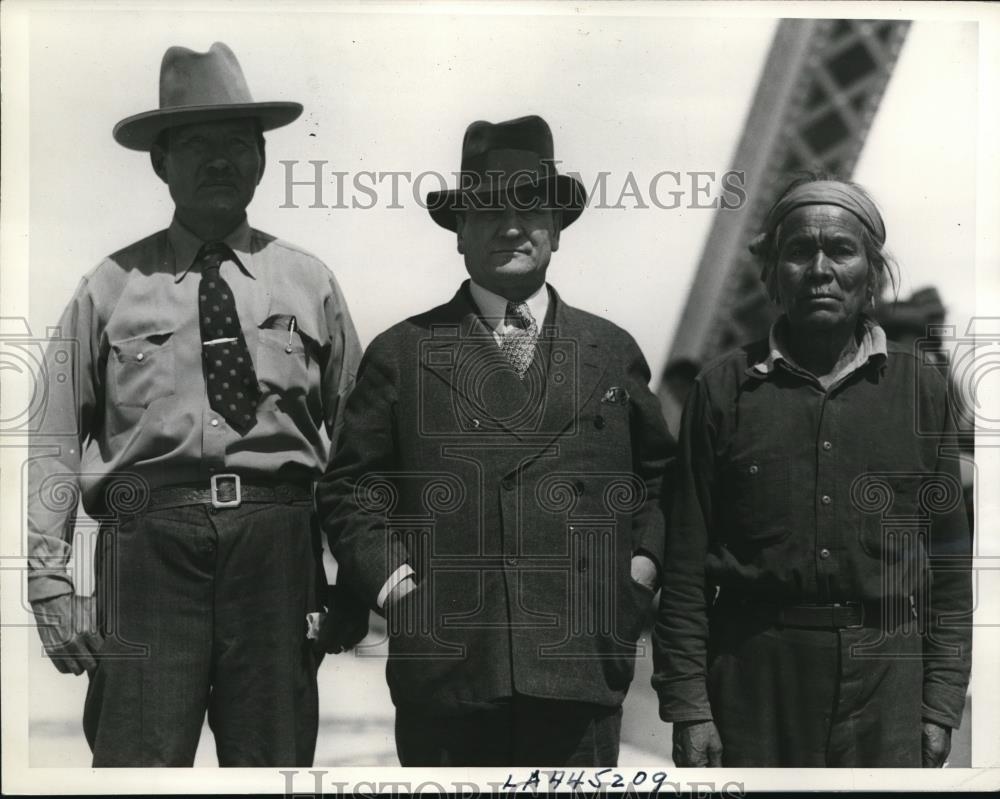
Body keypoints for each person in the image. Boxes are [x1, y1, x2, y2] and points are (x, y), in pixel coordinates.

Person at [26, 42, 367, 766]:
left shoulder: (310, 283)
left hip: (278, 553)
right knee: (137, 770)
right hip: (149, 551)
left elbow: (364, 445)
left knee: (273, 767)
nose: (220, 160)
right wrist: (48, 580)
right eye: (198, 144)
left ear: (263, 157)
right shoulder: (109, 286)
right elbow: (54, 437)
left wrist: (357, 575)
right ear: (161, 161)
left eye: (237, 144)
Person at [316, 115, 674, 767]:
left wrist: (635, 576)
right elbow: (349, 492)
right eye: (486, 207)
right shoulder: (402, 354)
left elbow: (664, 483)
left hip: (577, 666)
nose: (510, 225)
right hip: (450, 672)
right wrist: (401, 590)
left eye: (529, 206)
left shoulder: (609, 350)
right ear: (459, 231)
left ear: (557, 228)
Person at [651, 175, 973, 767]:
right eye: (799, 251)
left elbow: (949, 571)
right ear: (773, 273)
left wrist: (939, 703)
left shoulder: (922, 392)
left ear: (872, 273)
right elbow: (684, 565)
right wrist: (689, 705)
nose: (820, 268)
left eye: (841, 250)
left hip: (888, 686)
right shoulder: (721, 390)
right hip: (750, 684)